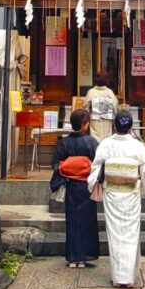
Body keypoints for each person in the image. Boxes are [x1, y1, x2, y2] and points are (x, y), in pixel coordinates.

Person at [87, 110, 145, 288]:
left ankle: (119, 277)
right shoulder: (137, 146)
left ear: (114, 125)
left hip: (112, 192)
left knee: (115, 232)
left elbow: (95, 167)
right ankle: (129, 276)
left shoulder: (106, 144)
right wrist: (137, 173)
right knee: (131, 232)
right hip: (131, 193)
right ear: (130, 126)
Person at [50, 109, 100, 268]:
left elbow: (56, 164)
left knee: (72, 221)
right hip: (86, 186)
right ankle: (83, 257)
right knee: (87, 221)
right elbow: (99, 163)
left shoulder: (64, 142)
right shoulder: (91, 142)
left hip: (70, 185)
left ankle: (73, 258)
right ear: (84, 125)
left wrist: (68, 168)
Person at [85, 70, 119, 141]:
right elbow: (115, 107)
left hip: (95, 121)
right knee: (106, 140)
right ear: (107, 80)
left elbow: (86, 108)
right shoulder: (110, 92)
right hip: (107, 121)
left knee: (94, 141)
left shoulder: (91, 92)